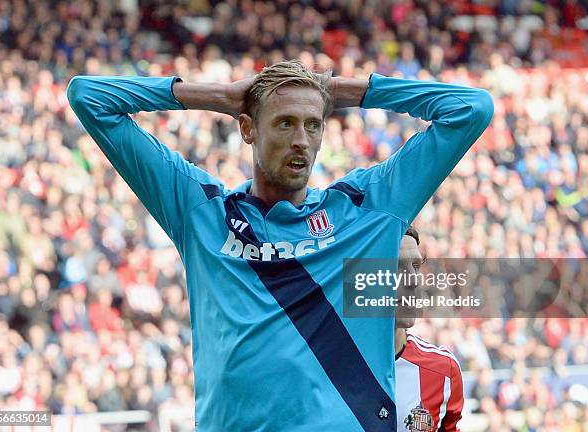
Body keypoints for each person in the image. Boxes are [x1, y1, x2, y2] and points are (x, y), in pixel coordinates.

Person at [67, 60, 492, 431]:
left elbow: (472, 109)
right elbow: (89, 97)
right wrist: (216, 95)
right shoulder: (203, 214)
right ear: (248, 128)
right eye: (285, 122)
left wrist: (349, 92)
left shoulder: (365, 210)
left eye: (313, 125)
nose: (301, 141)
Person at [395, 227, 464, 431]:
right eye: (396, 267)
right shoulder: (325, 364)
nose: (414, 280)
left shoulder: (443, 370)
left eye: (416, 266)